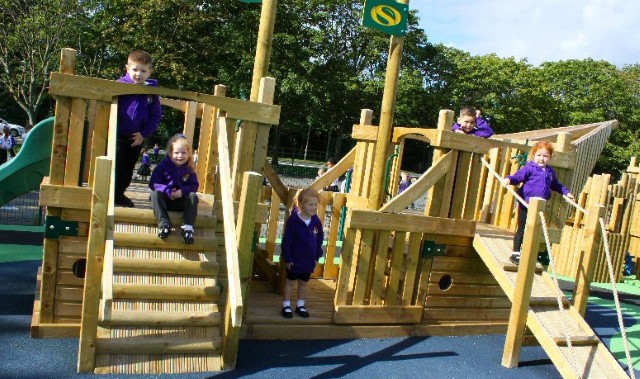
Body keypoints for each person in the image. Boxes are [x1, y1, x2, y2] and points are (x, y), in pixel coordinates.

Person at [501, 140, 574, 265]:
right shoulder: (529, 168)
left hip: (540, 205)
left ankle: (528, 252)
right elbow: (518, 177)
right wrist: (509, 179)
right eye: (539, 155)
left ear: (550, 157)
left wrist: (566, 193)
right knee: (522, 227)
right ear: (533, 155)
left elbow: (556, 185)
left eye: (545, 156)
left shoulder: (550, 172)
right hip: (526, 203)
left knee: (535, 229)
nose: (542, 158)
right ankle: (516, 253)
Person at [115, 50, 163, 207]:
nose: (138, 74)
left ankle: (119, 194)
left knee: (128, 167)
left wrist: (143, 134)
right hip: (117, 135)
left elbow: (156, 116)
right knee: (116, 165)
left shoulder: (151, 91)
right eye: (135, 70)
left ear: (150, 72)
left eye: (143, 71)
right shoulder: (120, 86)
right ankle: (111, 193)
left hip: (137, 137)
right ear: (127, 68)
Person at [280, 188, 324, 319]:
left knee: (303, 283)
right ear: (300, 205)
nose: (314, 207)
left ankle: (300, 305)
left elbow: (319, 239)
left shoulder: (316, 221)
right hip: (295, 259)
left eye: (316, 204)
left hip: (308, 260)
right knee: (290, 282)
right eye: (310, 204)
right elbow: (287, 241)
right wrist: (287, 258)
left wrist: (317, 256)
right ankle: (286, 305)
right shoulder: (293, 220)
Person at [149, 134, 199, 244]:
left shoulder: (189, 169)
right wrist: (166, 190)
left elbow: (194, 186)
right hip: (166, 201)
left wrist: (183, 191)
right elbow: (153, 183)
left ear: (189, 154)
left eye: (183, 153)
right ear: (171, 153)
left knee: (193, 197)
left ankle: (188, 228)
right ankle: (164, 224)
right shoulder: (162, 167)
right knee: (154, 194)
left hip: (180, 202)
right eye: (176, 152)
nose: (180, 156)